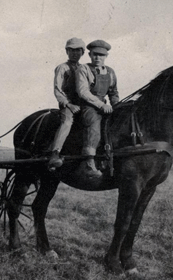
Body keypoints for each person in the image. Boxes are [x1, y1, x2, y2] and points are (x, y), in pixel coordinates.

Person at [76, 39, 119, 178]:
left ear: (106, 56)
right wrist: (101, 105)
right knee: (93, 124)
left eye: (101, 55)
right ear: (89, 54)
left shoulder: (111, 72)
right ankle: (88, 162)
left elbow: (113, 92)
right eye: (95, 54)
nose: (98, 58)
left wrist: (116, 106)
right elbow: (83, 92)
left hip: (104, 106)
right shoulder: (83, 69)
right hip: (88, 105)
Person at [48, 37, 86, 169]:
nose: (75, 53)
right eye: (71, 50)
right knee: (67, 122)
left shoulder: (85, 68)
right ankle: (55, 152)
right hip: (68, 105)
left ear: (83, 52)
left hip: (83, 104)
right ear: (67, 51)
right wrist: (68, 104)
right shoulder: (62, 68)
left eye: (78, 50)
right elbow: (58, 90)